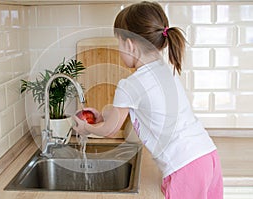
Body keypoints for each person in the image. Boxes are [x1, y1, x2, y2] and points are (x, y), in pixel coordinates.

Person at [73, 1, 223, 199]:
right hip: (208, 156)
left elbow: (110, 129)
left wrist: (86, 129)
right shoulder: (166, 71)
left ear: (129, 44)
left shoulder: (130, 84)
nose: (119, 49)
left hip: (184, 167)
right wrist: (103, 115)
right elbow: (125, 113)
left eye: (118, 43)